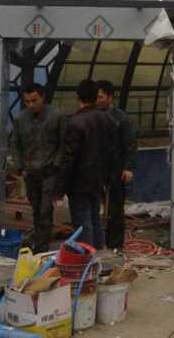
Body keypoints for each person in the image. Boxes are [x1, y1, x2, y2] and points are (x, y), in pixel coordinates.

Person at [57, 79, 113, 248]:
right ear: (96, 97)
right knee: (95, 218)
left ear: (78, 97)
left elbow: (69, 158)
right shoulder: (107, 119)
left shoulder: (75, 122)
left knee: (82, 223)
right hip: (98, 179)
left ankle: (86, 257)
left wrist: (60, 187)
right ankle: (99, 253)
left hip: (79, 181)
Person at [9, 83, 64, 253]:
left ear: (43, 97)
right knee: (36, 208)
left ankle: (42, 245)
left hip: (49, 171)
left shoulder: (57, 116)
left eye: (34, 100)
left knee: (45, 208)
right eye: (27, 102)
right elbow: (15, 144)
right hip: (30, 172)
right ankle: (40, 236)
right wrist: (19, 167)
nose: (31, 105)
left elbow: (63, 144)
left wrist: (57, 165)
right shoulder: (20, 119)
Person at [95, 80, 136, 251]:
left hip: (116, 170)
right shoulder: (93, 117)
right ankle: (97, 244)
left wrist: (128, 167)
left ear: (110, 97)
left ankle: (115, 246)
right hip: (96, 170)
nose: (97, 100)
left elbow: (130, 144)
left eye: (100, 97)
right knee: (95, 209)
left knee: (115, 210)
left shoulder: (122, 119)